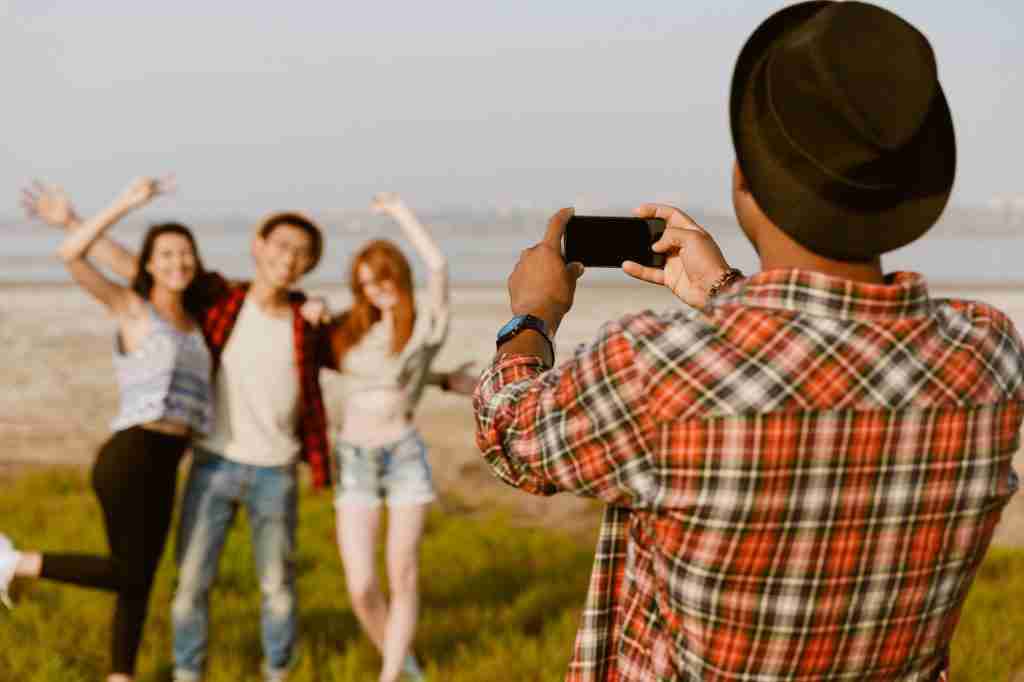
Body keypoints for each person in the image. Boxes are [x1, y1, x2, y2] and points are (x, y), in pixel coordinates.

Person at [472, 3, 1024, 681]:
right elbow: (827, 359)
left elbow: (511, 437)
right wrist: (727, 292)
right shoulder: (986, 356)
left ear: (744, 180)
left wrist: (531, 317)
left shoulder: (661, 369)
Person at [1, 177, 214, 682]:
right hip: (132, 454)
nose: (177, 262)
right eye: (165, 255)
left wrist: (75, 218)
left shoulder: (197, 320)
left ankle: (121, 675)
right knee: (129, 573)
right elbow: (72, 256)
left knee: (135, 582)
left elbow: (118, 256)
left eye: (185, 254)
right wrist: (123, 202)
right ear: (148, 264)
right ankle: (15, 563)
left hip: (167, 461)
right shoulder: (132, 309)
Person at [318, 192, 472, 682]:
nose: (375, 290)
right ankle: (406, 668)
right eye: (364, 283)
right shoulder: (348, 330)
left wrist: (402, 213)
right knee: (362, 585)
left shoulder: (425, 325)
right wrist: (312, 308)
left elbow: (440, 266)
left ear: (397, 276)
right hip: (355, 459)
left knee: (402, 574)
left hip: (403, 455)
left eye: (381, 278)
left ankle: (390, 678)